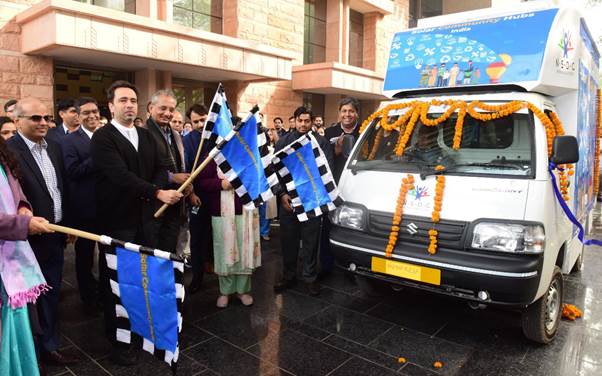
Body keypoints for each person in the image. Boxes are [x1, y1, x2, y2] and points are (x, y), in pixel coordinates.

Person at [90, 81, 183, 366]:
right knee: (116, 282)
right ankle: (118, 342)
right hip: (117, 221)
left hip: (145, 221)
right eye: (123, 100)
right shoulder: (102, 137)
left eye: (132, 100)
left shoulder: (145, 135)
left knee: (142, 280)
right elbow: (119, 175)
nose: (129, 105)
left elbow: (160, 168)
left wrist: (155, 190)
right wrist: (156, 192)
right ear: (111, 106)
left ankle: (140, 331)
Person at [7, 98, 78, 367]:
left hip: (55, 234)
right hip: (23, 239)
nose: (43, 123)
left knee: (50, 294)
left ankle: (49, 346)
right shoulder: (8, 151)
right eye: (35, 118)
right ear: (17, 121)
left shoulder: (55, 148)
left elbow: (61, 190)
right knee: (26, 299)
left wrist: (68, 225)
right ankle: (29, 352)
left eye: (46, 118)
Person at [0, 134, 53, 376]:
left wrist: (23, 206)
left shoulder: (3, 156)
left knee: (17, 319)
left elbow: (14, 188)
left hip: (12, 257)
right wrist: (23, 226)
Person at [274, 107, 333, 296]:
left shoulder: (321, 143)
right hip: (288, 202)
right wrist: (282, 194)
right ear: (295, 120)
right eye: (300, 121)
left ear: (312, 121)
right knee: (288, 241)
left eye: (307, 121)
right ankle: (288, 276)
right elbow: (274, 171)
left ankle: (309, 278)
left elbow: (327, 171)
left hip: (312, 201)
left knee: (310, 242)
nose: (303, 124)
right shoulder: (283, 142)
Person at [197, 141, 261, 308]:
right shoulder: (213, 155)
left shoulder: (249, 154)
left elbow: (260, 176)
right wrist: (221, 184)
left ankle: (243, 290)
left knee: (245, 250)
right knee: (224, 251)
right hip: (222, 212)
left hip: (246, 210)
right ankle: (225, 291)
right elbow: (201, 181)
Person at [61, 97, 102, 316]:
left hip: (110, 207)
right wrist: (97, 154)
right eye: (86, 113)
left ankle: (106, 291)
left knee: (107, 253)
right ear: (78, 116)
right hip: (85, 210)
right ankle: (88, 297)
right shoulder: (69, 141)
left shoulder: (107, 136)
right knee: (85, 255)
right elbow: (73, 172)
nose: (92, 116)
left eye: (95, 111)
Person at [145, 90, 190, 254]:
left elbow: (180, 164)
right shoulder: (143, 133)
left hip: (175, 205)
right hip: (154, 205)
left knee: (170, 251)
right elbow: (142, 170)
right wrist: (171, 177)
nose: (167, 113)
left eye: (171, 109)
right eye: (163, 108)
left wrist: (186, 183)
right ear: (151, 108)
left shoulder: (175, 135)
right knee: (155, 254)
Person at [321, 97, 361, 276]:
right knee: (328, 225)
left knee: (353, 227)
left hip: (357, 186)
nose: (347, 115)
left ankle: (354, 267)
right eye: (344, 111)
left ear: (357, 113)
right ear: (339, 113)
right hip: (333, 185)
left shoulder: (364, 131)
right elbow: (321, 158)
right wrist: (335, 152)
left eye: (351, 111)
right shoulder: (329, 132)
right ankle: (326, 263)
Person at [182, 103, 212, 293]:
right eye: (196, 121)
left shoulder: (218, 137)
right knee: (198, 237)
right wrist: (191, 193)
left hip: (219, 195)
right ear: (190, 123)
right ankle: (197, 276)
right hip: (198, 197)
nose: (201, 124)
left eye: (204, 120)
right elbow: (185, 171)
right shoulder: (187, 141)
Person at [259, 122, 279, 241]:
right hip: (257, 184)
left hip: (268, 183)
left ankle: (264, 231)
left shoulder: (271, 150)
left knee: (266, 211)